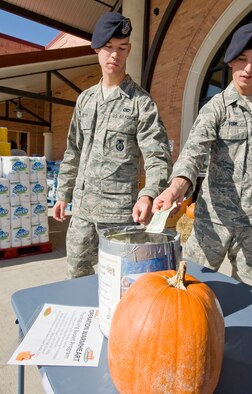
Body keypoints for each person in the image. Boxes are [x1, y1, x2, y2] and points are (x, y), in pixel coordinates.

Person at [153, 23, 252, 288]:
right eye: (242, 60)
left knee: (250, 293)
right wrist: (175, 189)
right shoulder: (216, 108)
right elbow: (193, 152)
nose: (248, 68)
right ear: (230, 61)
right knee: (190, 284)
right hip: (215, 219)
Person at [53, 12, 172, 279]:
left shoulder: (141, 103)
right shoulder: (86, 100)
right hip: (82, 213)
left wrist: (148, 194)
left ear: (129, 49)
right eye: (108, 47)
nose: (114, 55)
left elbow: (158, 155)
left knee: (119, 281)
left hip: (117, 216)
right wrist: (63, 193)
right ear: (96, 49)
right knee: (76, 275)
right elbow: (73, 149)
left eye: (121, 48)